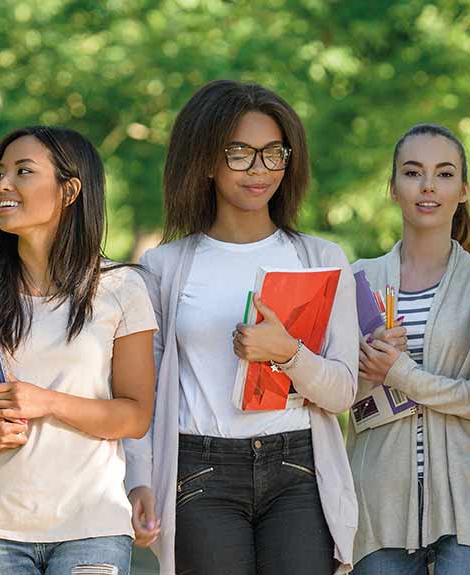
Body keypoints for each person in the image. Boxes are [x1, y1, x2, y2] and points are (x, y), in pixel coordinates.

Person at [124, 79, 361, 575]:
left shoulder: (320, 259)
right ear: (206, 161)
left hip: (298, 469)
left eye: (274, 153)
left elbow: (342, 392)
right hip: (200, 472)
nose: (260, 170)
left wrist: (288, 352)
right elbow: (139, 395)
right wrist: (138, 481)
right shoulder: (163, 267)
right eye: (240, 154)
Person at [0, 126, 158, 575]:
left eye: (23, 171)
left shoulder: (121, 288)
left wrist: (47, 402)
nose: (3, 185)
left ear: (70, 190)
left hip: (92, 529)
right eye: (0, 173)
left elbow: (135, 416)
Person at [347, 123, 470, 575]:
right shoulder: (356, 279)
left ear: (463, 190)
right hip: (377, 511)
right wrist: (365, 368)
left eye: (443, 174)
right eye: (412, 172)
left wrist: (403, 373)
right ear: (393, 188)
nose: (427, 186)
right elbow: (336, 399)